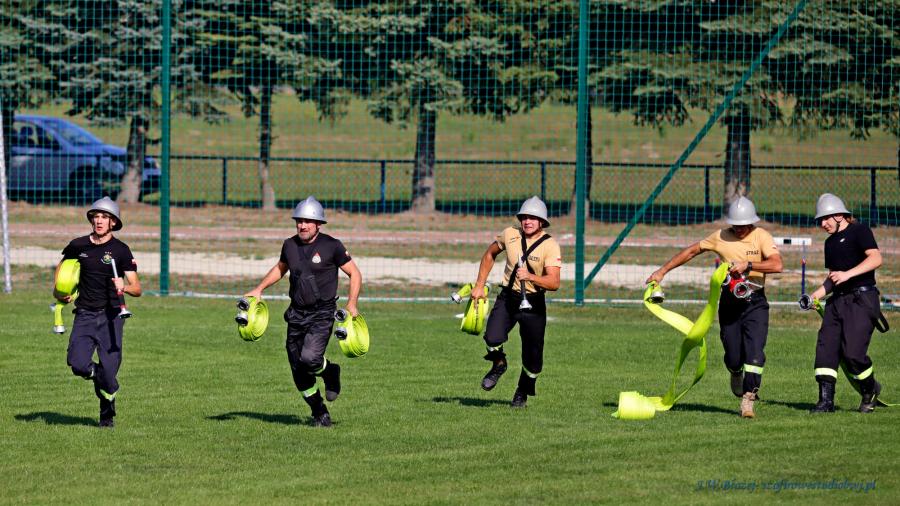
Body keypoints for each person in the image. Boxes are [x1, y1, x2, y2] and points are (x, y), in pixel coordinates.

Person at [646, 196, 783, 418]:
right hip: (730, 304)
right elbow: (692, 251)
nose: (739, 229)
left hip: (755, 303)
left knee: (755, 354)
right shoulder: (720, 236)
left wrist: (748, 265)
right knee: (734, 356)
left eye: (743, 225)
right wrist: (662, 271)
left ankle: (748, 398)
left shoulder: (762, 236)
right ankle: (735, 371)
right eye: (735, 225)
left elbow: (777, 264)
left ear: (752, 221)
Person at [245, 196, 362, 428]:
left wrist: (352, 303)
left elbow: (355, 273)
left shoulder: (332, 246)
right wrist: (259, 289)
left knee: (310, 359)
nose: (302, 225)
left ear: (318, 224)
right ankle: (319, 412)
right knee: (298, 369)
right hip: (296, 314)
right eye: (299, 221)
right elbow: (280, 268)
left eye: (308, 221)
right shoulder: (289, 245)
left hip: (322, 314)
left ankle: (331, 372)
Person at [54, 197, 141, 428]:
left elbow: (137, 288)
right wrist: (60, 291)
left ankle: (106, 415)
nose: (99, 221)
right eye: (96, 216)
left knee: (109, 373)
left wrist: (124, 287)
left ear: (113, 222)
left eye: (105, 217)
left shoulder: (121, 250)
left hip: (112, 316)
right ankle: (99, 375)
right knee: (77, 363)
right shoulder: (78, 245)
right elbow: (62, 267)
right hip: (84, 314)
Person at [470, 196, 562, 408]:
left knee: (533, 358)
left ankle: (522, 391)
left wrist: (531, 277)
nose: (528, 221)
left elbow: (554, 282)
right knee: (492, 337)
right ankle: (499, 363)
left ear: (542, 222)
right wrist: (479, 285)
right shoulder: (510, 234)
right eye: (524, 217)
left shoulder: (550, 246)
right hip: (508, 297)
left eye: (533, 218)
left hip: (533, 302)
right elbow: (490, 254)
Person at [807, 193, 885, 414]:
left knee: (853, 353)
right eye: (820, 220)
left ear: (840, 215)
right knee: (826, 349)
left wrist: (847, 274)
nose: (823, 224)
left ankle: (870, 390)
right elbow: (833, 278)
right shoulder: (830, 243)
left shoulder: (860, 231)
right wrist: (815, 296)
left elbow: (876, 258)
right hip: (837, 302)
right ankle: (825, 402)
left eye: (826, 218)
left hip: (862, 300)